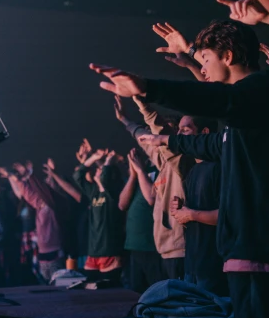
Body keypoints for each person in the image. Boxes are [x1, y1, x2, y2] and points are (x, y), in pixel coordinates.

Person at [92, 18, 269, 318]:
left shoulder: (265, 90)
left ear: (229, 55)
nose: (201, 68)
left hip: (262, 244)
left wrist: (147, 87)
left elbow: (218, 98)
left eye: (206, 58)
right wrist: (169, 142)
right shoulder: (245, 112)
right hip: (248, 244)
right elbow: (214, 144)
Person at [113, 96, 191, 280]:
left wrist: (144, 107)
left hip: (180, 250)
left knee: (181, 304)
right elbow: (144, 139)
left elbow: (159, 133)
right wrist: (125, 120)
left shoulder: (182, 161)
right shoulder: (163, 163)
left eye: (183, 130)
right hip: (165, 248)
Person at [167, 116, 227, 297]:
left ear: (205, 133)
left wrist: (191, 214)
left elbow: (228, 215)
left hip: (213, 265)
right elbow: (193, 215)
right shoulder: (192, 170)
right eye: (178, 131)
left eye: (185, 130)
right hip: (192, 263)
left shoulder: (219, 167)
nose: (179, 136)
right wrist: (180, 212)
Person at [72, 150, 126, 283]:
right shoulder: (94, 192)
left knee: (108, 294)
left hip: (110, 252)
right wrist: (94, 157)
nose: (97, 170)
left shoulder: (114, 193)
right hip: (93, 252)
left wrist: (109, 161)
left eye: (101, 169)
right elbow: (77, 175)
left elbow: (106, 179)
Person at [117, 148, 162, 293]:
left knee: (156, 291)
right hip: (135, 244)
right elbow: (122, 204)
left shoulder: (161, 168)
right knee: (138, 291)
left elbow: (151, 198)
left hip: (153, 245)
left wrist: (140, 171)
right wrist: (133, 175)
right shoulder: (139, 172)